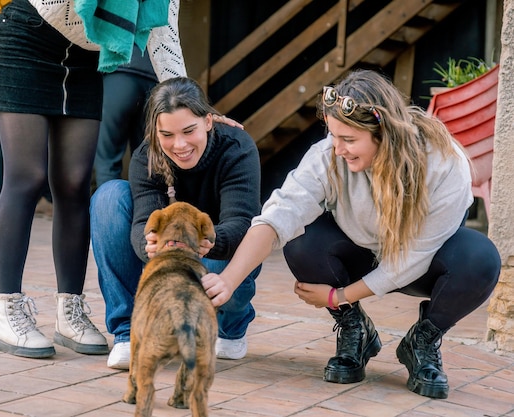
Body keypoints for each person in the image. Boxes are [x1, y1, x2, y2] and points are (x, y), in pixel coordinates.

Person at [201, 69, 500, 399]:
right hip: (362, 254)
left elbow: (410, 260)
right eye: (333, 136)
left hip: (424, 264)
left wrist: (338, 296)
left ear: (384, 131)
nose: (337, 148)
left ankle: (422, 343)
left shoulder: (443, 162)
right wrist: (227, 281)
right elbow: (276, 217)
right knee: (299, 239)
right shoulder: (328, 155)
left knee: (481, 258)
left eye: (348, 139)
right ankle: (355, 330)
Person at [0, 0, 186, 359]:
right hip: (24, 36)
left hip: (83, 56)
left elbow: (163, 30)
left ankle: (69, 310)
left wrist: (189, 104)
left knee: (75, 183)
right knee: (27, 176)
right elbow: (55, 8)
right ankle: (6, 309)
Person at [90, 76, 262, 369]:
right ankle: (127, 332)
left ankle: (230, 325)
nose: (179, 144)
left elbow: (242, 222)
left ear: (208, 121)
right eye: (167, 134)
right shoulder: (148, 155)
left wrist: (200, 242)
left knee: (239, 249)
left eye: (189, 130)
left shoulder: (236, 147)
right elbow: (143, 222)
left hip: (216, 250)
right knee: (108, 196)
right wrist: (151, 246)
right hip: (172, 257)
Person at [94, 45, 158, 188]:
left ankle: (107, 209)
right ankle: (146, 209)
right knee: (147, 162)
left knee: (107, 161)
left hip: (117, 76)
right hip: (154, 80)